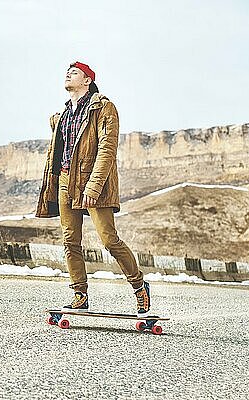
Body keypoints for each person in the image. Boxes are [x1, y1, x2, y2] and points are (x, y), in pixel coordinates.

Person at [35, 61, 151, 316]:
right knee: (70, 240)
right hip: (66, 181)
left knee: (109, 239)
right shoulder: (63, 115)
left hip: (92, 183)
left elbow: (106, 150)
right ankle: (79, 294)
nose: (68, 74)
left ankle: (139, 285)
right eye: (67, 72)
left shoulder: (103, 108)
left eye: (74, 72)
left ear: (87, 80)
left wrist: (94, 186)